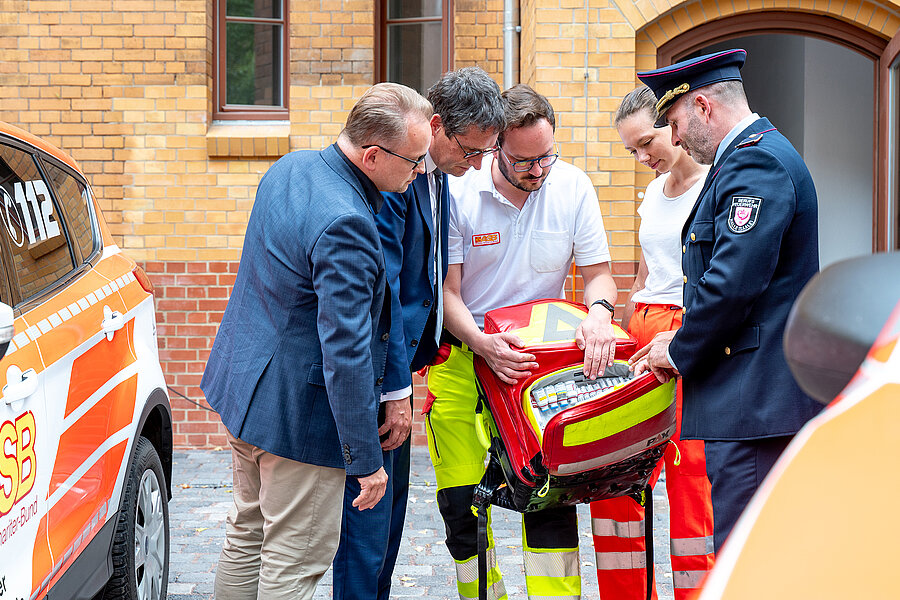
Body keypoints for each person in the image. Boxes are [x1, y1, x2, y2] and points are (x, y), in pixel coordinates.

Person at [200, 83, 433, 600]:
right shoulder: (348, 221)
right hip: (297, 420)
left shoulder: (293, 165)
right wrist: (366, 460)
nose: (420, 174)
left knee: (247, 535)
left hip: (246, 391)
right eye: (416, 162)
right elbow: (346, 353)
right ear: (373, 155)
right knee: (294, 562)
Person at [427, 83, 619, 600]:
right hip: (465, 358)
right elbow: (447, 293)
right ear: (495, 149)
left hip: (543, 368)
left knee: (549, 499)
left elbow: (599, 275)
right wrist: (483, 344)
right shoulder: (459, 191)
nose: (538, 170)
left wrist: (600, 314)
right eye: (524, 161)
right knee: (463, 503)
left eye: (547, 158)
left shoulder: (573, 187)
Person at [632, 49, 823, 552]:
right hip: (750, 399)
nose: (674, 139)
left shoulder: (756, 162)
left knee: (748, 553)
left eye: (674, 122)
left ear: (703, 106)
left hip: (755, 403)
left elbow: (732, 283)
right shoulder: (747, 159)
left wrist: (676, 350)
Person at [332, 67, 506, 600]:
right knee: (366, 528)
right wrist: (394, 391)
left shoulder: (436, 175)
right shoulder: (395, 178)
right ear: (437, 127)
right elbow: (379, 292)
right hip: (381, 380)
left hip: (405, 370)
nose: (476, 165)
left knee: (389, 527)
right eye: (471, 151)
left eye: (485, 155)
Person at [588, 85, 714, 600]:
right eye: (630, 151)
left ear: (676, 125)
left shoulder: (715, 186)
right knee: (616, 476)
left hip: (688, 333)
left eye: (646, 143)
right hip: (641, 333)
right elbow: (645, 274)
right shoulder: (651, 195)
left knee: (692, 484)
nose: (642, 159)